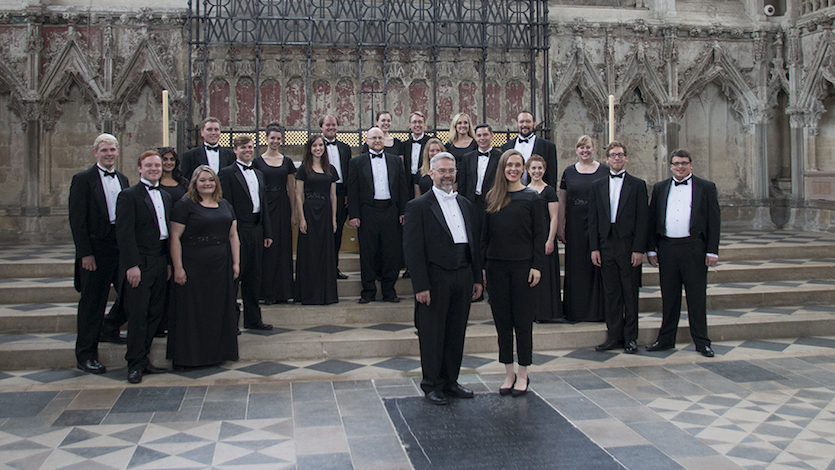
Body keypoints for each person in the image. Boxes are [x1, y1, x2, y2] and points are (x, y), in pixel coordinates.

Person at [404, 152, 483, 406]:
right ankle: (432, 384)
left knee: (456, 331)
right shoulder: (418, 206)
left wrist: (477, 278)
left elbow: (474, 243)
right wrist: (421, 286)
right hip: (435, 277)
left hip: (463, 274)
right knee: (432, 333)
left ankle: (451, 380)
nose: (447, 175)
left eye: (451, 171)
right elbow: (413, 250)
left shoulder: (466, 204)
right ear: (432, 174)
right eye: (442, 171)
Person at [646, 149, 721, 358]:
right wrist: (651, 248)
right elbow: (652, 220)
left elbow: (714, 221)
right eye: (676, 163)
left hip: (694, 248)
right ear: (670, 166)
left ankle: (702, 342)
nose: (680, 167)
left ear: (691, 165)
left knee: (696, 297)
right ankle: (666, 339)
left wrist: (712, 251)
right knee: (669, 297)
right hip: (667, 248)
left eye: (684, 163)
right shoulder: (660, 188)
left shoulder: (706, 187)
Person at [482, 150, 544, 397]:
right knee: (502, 323)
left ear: (524, 168)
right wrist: (484, 267)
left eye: (518, 165)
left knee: (523, 323)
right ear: (503, 168)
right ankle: (508, 372)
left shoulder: (532, 197)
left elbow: (539, 235)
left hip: (523, 267)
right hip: (496, 267)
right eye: (509, 165)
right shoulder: (492, 196)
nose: (514, 169)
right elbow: (484, 237)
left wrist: (537, 265)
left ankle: (523, 373)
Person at [69, 133, 130, 374]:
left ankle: (110, 328)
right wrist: (85, 253)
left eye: (112, 150)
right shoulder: (83, 179)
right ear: (96, 152)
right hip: (95, 249)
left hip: (120, 247)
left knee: (129, 293)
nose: (108, 154)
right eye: (104, 150)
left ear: (117, 152)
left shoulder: (124, 179)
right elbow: (77, 219)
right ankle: (86, 355)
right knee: (92, 304)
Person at [168, 165, 240, 368]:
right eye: (202, 180)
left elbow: (233, 235)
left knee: (217, 311)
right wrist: (178, 267)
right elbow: (175, 237)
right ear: (194, 183)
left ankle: (217, 353)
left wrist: (236, 263)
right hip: (194, 266)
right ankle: (191, 357)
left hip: (220, 267)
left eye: (210, 180)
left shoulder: (224, 204)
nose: (207, 183)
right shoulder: (185, 205)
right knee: (194, 312)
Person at [115, 151, 172, 384]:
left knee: (155, 313)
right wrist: (132, 265)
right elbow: (124, 233)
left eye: (157, 165)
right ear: (139, 168)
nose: (154, 169)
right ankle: (134, 364)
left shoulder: (166, 196)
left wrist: (168, 262)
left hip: (160, 260)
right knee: (138, 315)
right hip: (140, 261)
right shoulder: (128, 196)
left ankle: (144, 358)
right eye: (149, 165)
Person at [588, 142, 648, 354]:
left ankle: (631, 337)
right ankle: (614, 336)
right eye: (613, 155)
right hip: (605, 245)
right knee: (611, 293)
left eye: (620, 155)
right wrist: (594, 248)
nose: (617, 158)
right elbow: (593, 219)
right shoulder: (597, 185)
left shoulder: (638, 185)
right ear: (607, 159)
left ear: (626, 158)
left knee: (630, 293)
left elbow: (643, 220)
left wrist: (639, 249)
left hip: (628, 244)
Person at [347, 127, 409, 303]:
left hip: (391, 211)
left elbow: (402, 188)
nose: (377, 141)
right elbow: (353, 191)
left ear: (384, 140)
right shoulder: (356, 162)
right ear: (367, 141)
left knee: (391, 254)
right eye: (373, 138)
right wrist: (354, 215)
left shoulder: (395, 161)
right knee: (368, 254)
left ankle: (389, 291)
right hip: (367, 212)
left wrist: (403, 211)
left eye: (380, 138)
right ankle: (368, 291)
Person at [218, 135, 274, 331]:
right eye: (243, 147)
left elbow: (264, 204)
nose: (247, 150)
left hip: (256, 229)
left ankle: (253, 319)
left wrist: (267, 232)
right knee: (235, 276)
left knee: (254, 275)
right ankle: (230, 322)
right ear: (235, 150)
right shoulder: (226, 173)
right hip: (237, 229)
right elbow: (225, 204)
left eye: (250, 147)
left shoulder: (259, 174)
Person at [558, 135, 608, 323]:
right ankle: (576, 310)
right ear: (576, 150)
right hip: (576, 225)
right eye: (581, 148)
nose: (585, 151)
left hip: (598, 224)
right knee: (577, 266)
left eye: (588, 147)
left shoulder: (604, 170)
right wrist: (561, 226)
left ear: (593, 149)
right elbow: (562, 200)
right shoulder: (569, 172)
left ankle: (598, 310)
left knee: (597, 265)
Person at [252, 123, 296, 303]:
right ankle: (267, 292)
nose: (275, 141)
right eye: (272, 138)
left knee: (283, 249)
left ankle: (283, 292)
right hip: (265, 207)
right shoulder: (257, 162)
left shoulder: (287, 162)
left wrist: (294, 213)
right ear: (266, 138)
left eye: (278, 138)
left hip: (283, 206)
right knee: (267, 250)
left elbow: (291, 189)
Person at [295, 135, 339, 305]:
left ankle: (326, 294)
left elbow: (333, 196)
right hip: (310, 213)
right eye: (315, 146)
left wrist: (334, 219)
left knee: (325, 253)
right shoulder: (303, 169)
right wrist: (302, 219)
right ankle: (308, 293)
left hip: (325, 213)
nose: (318, 148)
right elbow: (298, 195)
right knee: (310, 253)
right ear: (309, 148)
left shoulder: (331, 169)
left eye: (320, 145)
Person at [526, 155, 564, 323]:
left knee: (546, 275)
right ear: (527, 170)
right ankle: (531, 311)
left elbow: (554, 217)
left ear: (544, 170)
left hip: (545, 238)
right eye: (533, 168)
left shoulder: (548, 191)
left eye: (539, 168)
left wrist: (550, 240)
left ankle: (546, 312)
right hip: (528, 239)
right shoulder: (524, 190)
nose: (536, 171)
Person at [155, 147, 188, 338]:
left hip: (179, 234)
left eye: (171, 159)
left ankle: (175, 319)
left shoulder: (182, 183)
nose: (168, 163)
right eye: (164, 159)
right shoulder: (153, 183)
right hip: (159, 236)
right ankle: (160, 321)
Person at [320, 114, 353, 280]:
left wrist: (347, 194)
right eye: (328, 125)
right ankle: (321, 268)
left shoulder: (345, 148)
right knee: (321, 232)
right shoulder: (316, 146)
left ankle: (334, 267)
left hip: (340, 194)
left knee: (337, 231)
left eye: (333, 125)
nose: (331, 128)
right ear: (321, 128)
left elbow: (348, 173)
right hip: (321, 192)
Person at [458, 124, 501, 245]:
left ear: (492, 136)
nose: (482, 138)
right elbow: (462, 183)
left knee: (491, 235)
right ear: (475, 138)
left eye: (485, 135)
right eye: (479, 135)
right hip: (472, 202)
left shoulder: (500, 157)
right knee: (473, 235)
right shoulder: (467, 158)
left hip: (492, 202)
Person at [501, 111, 557, 187]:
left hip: (538, 194)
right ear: (517, 124)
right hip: (511, 193)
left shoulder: (548, 146)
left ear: (534, 124)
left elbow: (552, 176)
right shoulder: (506, 147)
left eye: (528, 122)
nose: (524, 125)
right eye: (521, 122)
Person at [402, 112, 431, 197]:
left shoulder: (430, 142)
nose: (417, 125)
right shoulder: (404, 145)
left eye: (420, 122)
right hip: (408, 184)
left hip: (425, 182)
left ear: (424, 124)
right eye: (414, 122)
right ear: (410, 125)